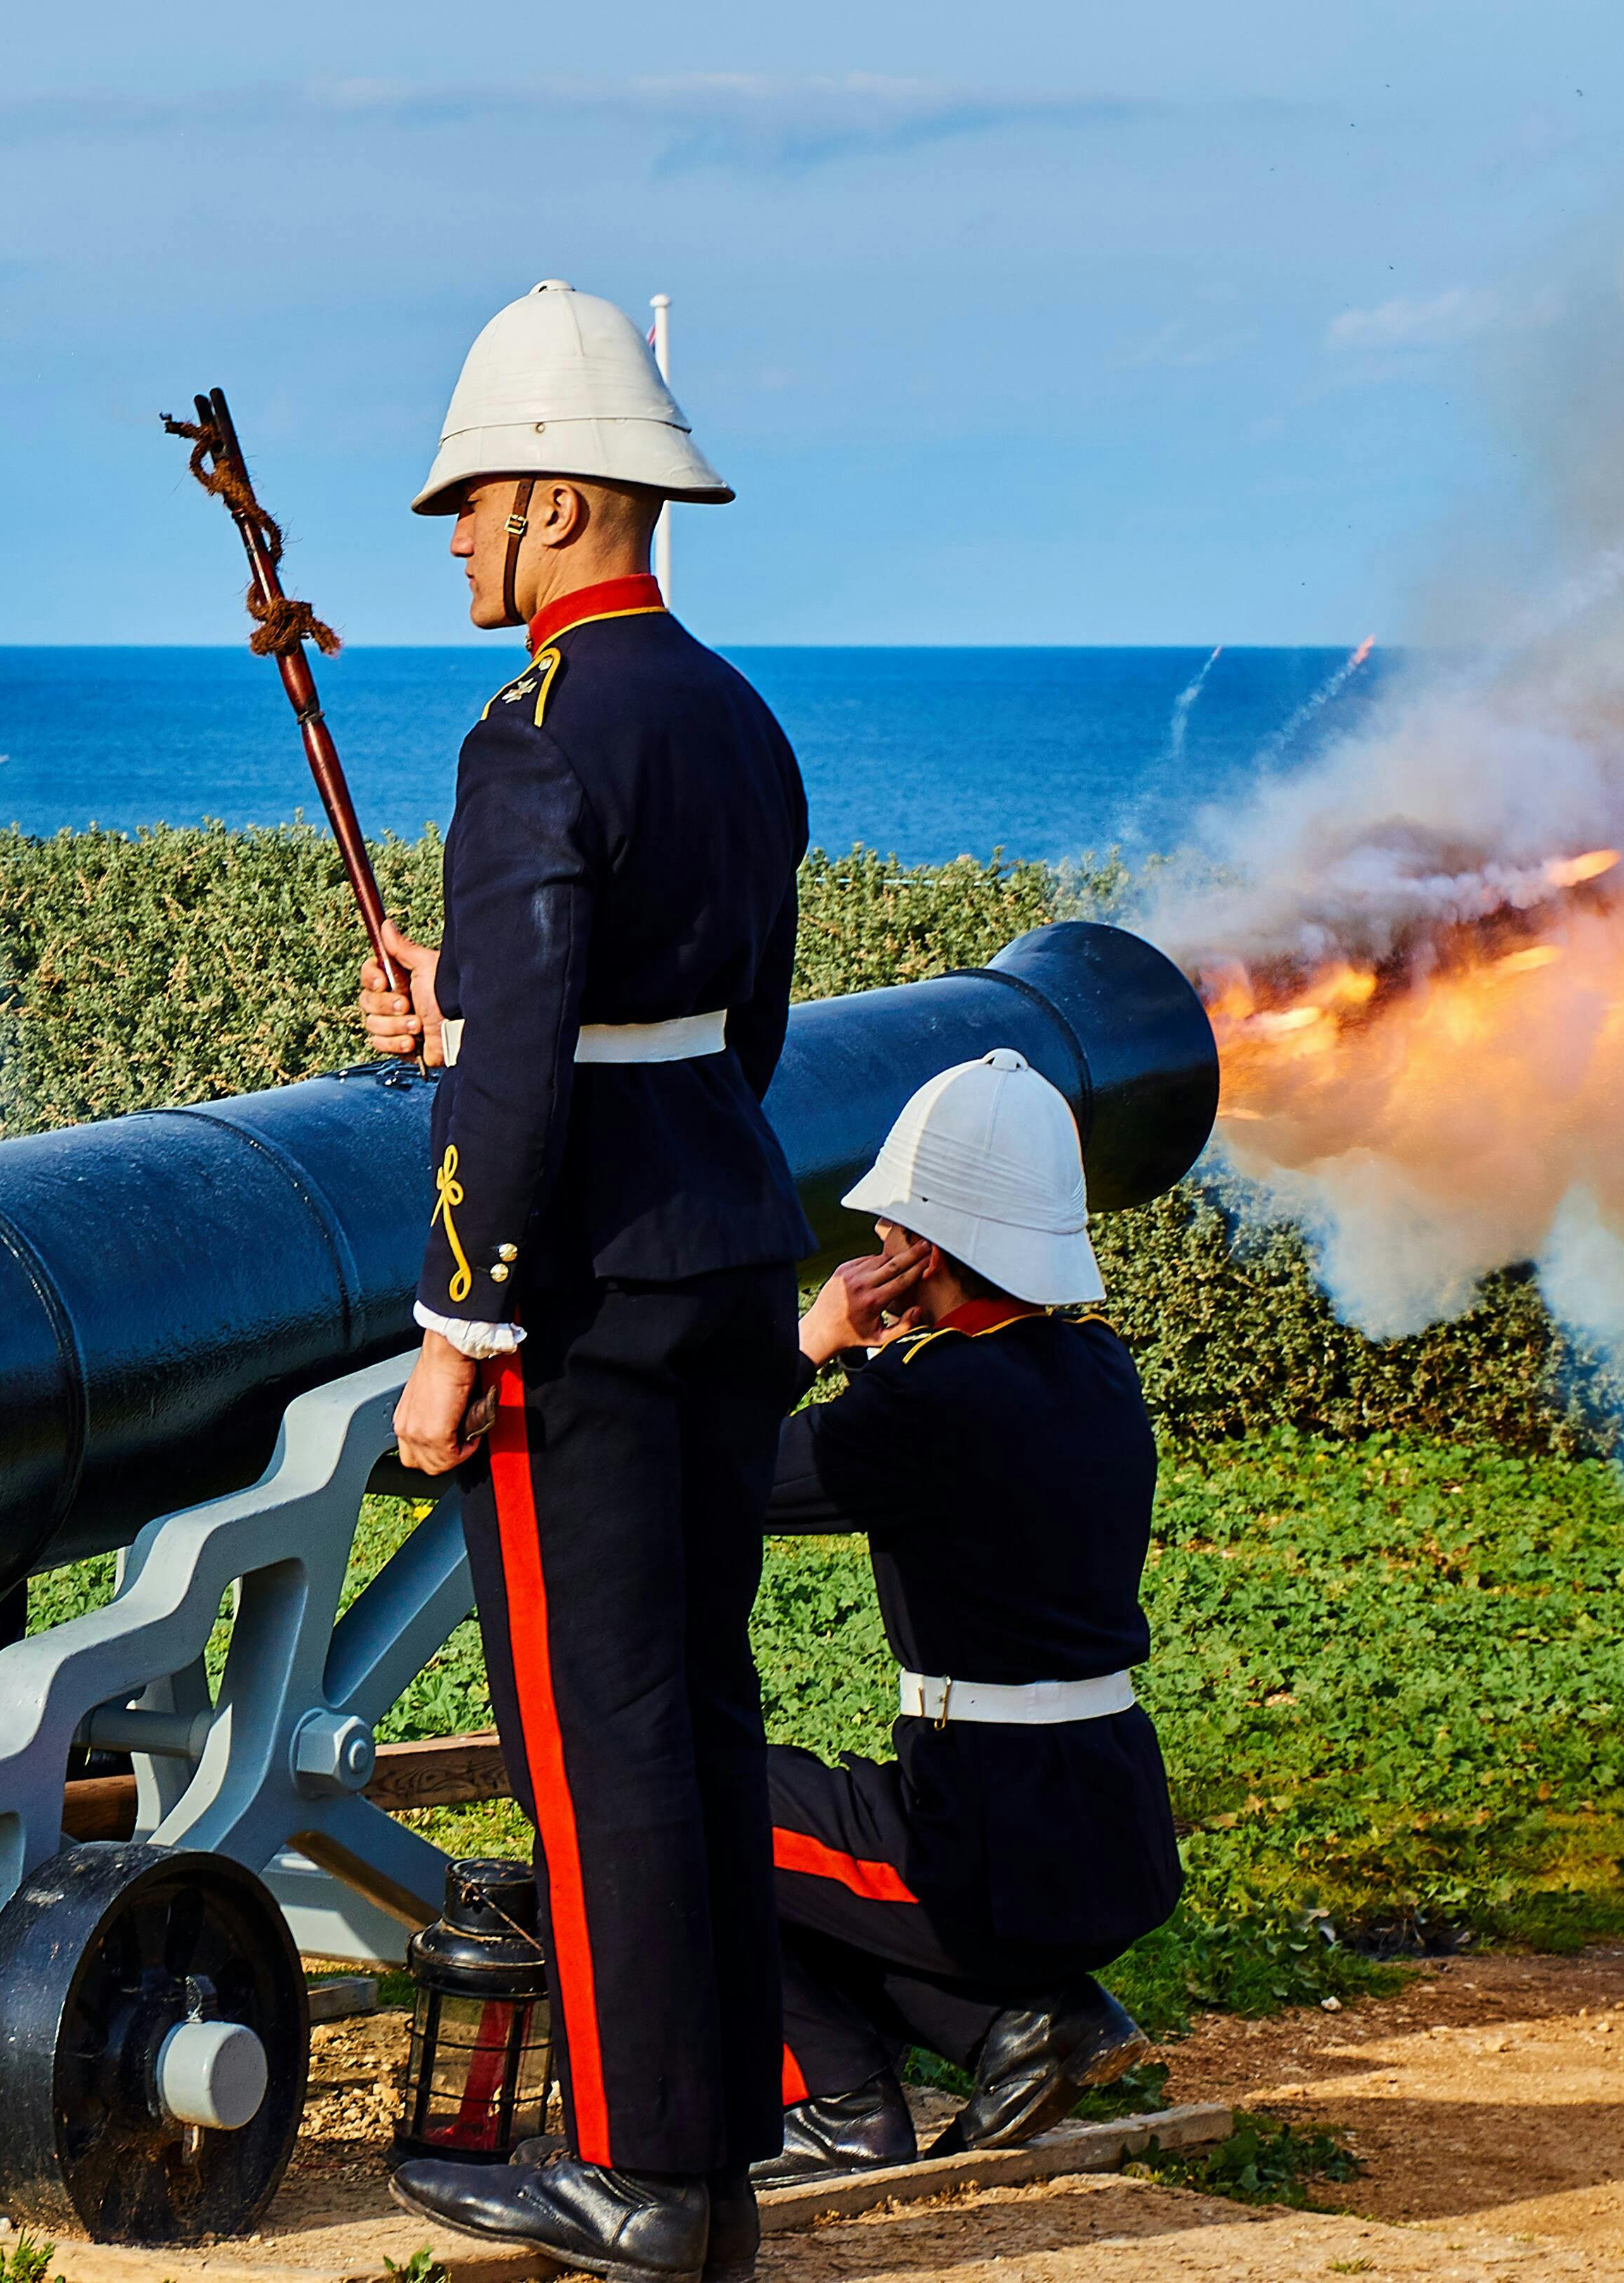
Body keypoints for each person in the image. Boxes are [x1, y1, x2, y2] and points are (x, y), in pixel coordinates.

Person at [359, 280, 812, 2283]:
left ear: (552, 501)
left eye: (468, 502)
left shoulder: (530, 733)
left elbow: (531, 1067)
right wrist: (462, 1003)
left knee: (590, 1734)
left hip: (585, 1299)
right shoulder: (732, 713)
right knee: (697, 1708)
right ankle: (708, 2168)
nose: (456, 536)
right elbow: (736, 1021)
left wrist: (460, 1326)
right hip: (725, 1239)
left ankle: (633, 2170)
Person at [748, 1051, 1179, 2184]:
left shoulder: (924, 1399)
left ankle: (835, 2102)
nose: (875, 1242)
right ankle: (1024, 2025)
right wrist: (889, 1365)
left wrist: (813, 1340)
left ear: (923, 1250)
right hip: (1107, 1823)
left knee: (683, 1812)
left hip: (989, 1847)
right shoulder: (1097, 1364)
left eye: (890, 1228)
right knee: (817, 1857)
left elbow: (709, 1477)